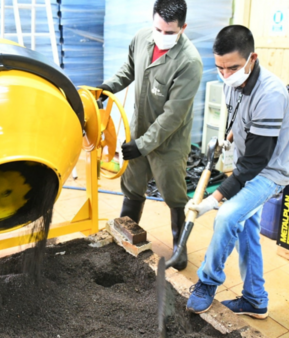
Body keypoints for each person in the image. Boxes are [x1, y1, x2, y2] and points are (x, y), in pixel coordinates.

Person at [185, 25, 289, 318]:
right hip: (252, 164)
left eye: (232, 67)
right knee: (246, 231)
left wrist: (214, 199)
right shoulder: (231, 82)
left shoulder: (270, 94)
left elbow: (254, 164)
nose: (225, 74)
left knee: (227, 216)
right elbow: (238, 119)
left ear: (252, 58)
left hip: (270, 172)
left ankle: (208, 282)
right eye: (219, 67)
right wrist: (227, 139)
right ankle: (255, 299)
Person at [97, 0, 203, 270]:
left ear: (183, 28)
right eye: (158, 29)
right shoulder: (142, 38)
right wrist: (108, 87)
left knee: (174, 195)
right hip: (140, 130)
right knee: (132, 187)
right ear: (152, 21)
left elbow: (172, 116)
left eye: (170, 33)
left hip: (169, 141)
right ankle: (125, 231)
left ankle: (180, 246)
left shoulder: (189, 62)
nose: (162, 36)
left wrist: (142, 145)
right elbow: (129, 69)